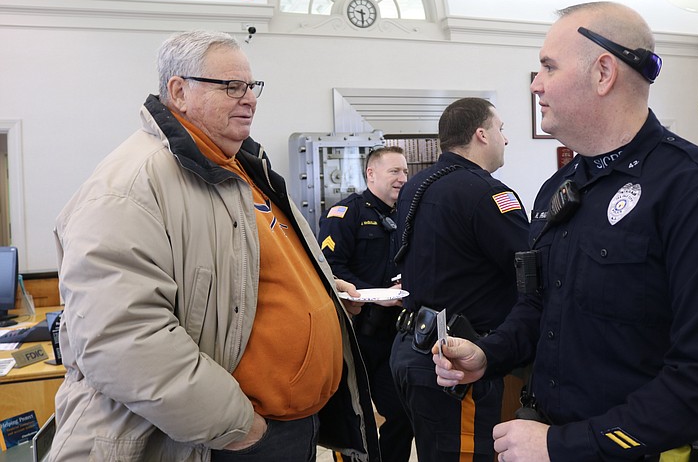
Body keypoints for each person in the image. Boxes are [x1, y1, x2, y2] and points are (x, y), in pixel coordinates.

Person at [434, 2, 698, 462]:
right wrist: (489, 355)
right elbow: (539, 306)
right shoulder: (561, 188)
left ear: (603, 73)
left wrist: (564, 445)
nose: (535, 84)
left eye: (548, 67)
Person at [51, 30, 380, 461]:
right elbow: (120, 338)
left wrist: (322, 296)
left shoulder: (238, 170)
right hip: (218, 438)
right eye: (231, 86)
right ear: (179, 92)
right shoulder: (131, 186)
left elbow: (241, 279)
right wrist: (238, 427)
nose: (249, 99)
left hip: (287, 430)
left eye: (250, 86)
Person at [389, 97, 530, 462]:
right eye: (501, 129)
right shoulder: (487, 194)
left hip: (411, 345)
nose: (506, 139)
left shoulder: (416, 185)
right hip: (453, 359)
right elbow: (531, 271)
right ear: (481, 134)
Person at [317, 146, 414, 462]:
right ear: (371, 174)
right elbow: (330, 268)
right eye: (394, 171)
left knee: (400, 414)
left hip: (394, 335)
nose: (403, 178)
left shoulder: (408, 216)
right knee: (353, 420)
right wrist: (374, 292)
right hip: (356, 335)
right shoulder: (346, 215)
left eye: (404, 171)